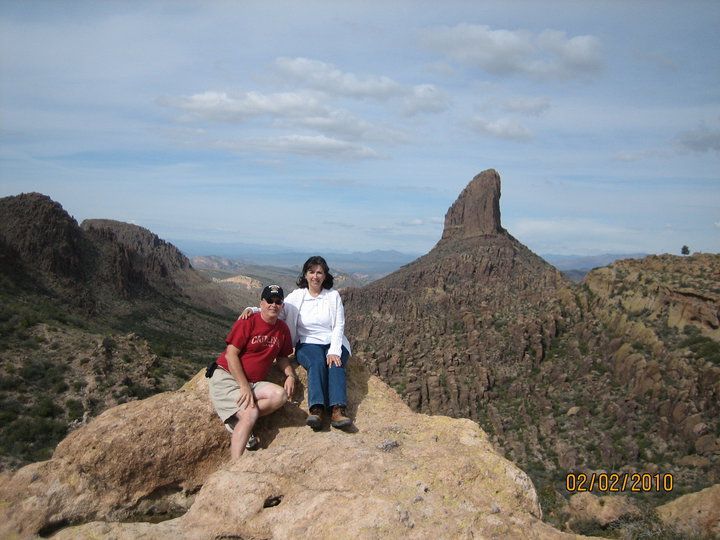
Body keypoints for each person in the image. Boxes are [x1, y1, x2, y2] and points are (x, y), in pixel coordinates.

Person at [241, 256, 352, 430]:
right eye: (311, 272)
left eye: (319, 272)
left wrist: (334, 350)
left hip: (333, 342)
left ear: (325, 276)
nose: (315, 276)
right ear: (305, 275)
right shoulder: (298, 296)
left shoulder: (333, 296)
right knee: (316, 363)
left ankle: (338, 410)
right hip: (308, 343)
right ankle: (317, 409)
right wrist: (253, 310)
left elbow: (339, 324)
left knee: (334, 364)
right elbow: (276, 309)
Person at [208, 285, 297, 459]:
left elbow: (282, 358)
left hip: (254, 382)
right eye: (269, 301)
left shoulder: (282, 329)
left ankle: (236, 419)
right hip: (227, 377)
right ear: (261, 303)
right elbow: (231, 354)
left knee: (280, 395)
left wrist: (290, 375)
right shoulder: (248, 321)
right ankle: (236, 463)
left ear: (282, 306)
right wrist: (243, 386)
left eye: (278, 302)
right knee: (251, 413)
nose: (273, 305)